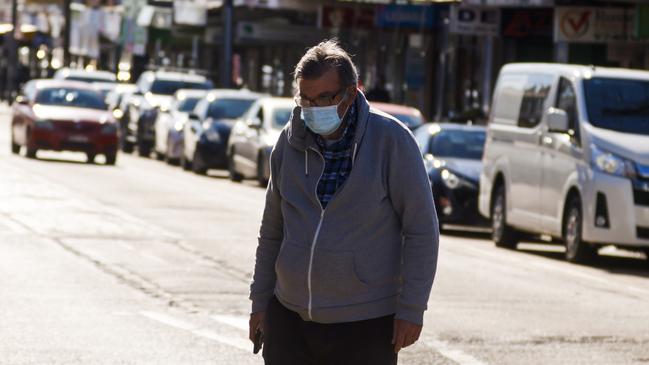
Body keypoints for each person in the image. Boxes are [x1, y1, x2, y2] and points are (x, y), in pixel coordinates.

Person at [248, 39, 439, 365]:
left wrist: (411, 308)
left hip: (364, 323)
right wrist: (260, 302)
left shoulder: (391, 141)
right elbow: (272, 230)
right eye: (305, 99)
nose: (313, 108)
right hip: (289, 317)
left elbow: (421, 229)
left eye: (324, 98)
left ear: (350, 94)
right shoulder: (289, 142)